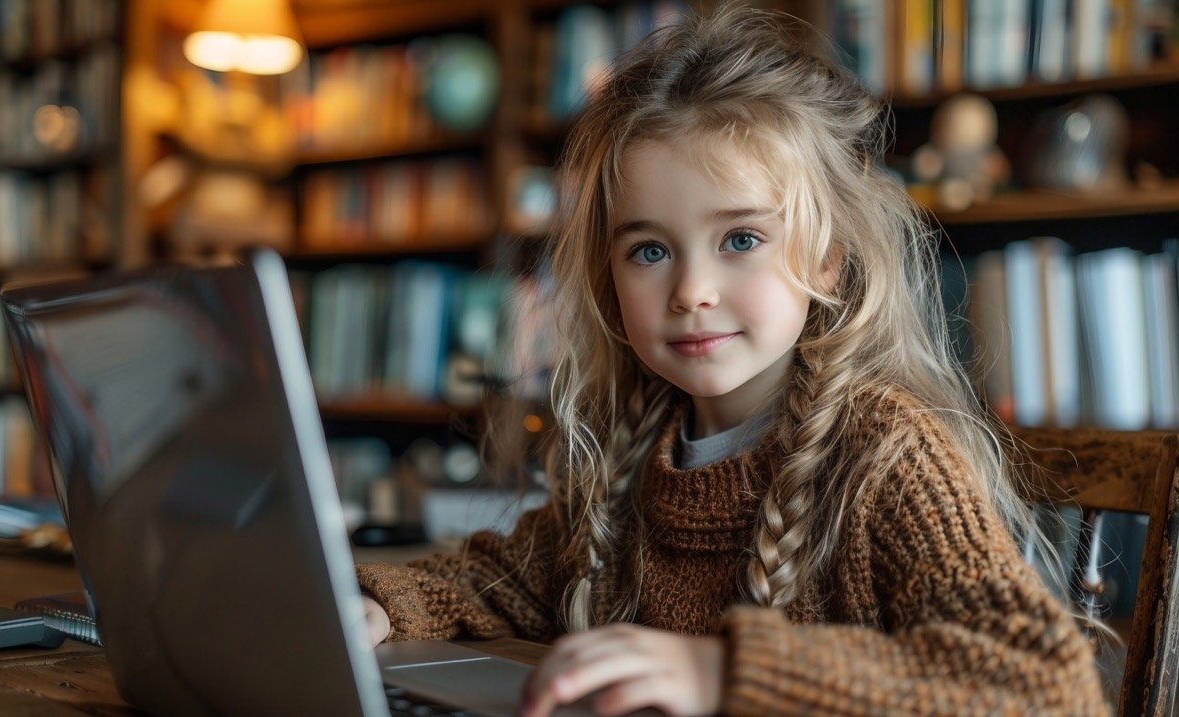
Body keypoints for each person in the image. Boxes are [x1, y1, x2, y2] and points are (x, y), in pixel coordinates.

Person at [356, 6, 1104, 716]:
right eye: (649, 250)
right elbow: (490, 581)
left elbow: (1047, 684)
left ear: (828, 259)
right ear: (608, 282)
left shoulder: (886, 452)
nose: (691, 291)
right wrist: (376, 603)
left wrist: (724, 672)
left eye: (741, 239)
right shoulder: (632, 452)